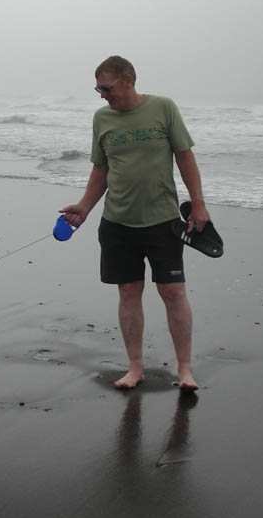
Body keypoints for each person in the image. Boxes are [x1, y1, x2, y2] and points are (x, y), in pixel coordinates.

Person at [60, 56, 209, 391]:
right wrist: (84, 207)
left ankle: (185, 369)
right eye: (98, 88)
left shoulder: (163, 108)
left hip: (162, 220)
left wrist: (198, 204)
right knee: (128, 291)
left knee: (172, 291)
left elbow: (185, 156)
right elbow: (101, 169)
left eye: (106, 87)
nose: (101, 94)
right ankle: (135, 367)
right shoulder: (102, 119)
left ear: (128, 80)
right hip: (117, 222)